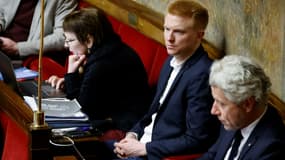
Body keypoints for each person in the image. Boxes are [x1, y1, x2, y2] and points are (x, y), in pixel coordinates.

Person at [113, 0, 220, 159]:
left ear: (199, 35)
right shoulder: (170, 61)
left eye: (179, 32)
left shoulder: (202, 74)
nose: (169, 38)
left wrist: (144, 149)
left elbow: (197, 139)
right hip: (139, 145)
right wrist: (132, 135)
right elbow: (152, 112)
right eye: (167, 29)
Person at [46, 8, 151, 137]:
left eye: (70, 40)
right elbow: (92, 90)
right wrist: (68, 81)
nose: (66, 46)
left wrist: (71, 74)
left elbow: (80, 109)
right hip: (113, 113)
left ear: (89, 40)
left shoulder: (103, 63)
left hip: (125, 124)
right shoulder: (110, 48)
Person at [197, 55, 285, 160]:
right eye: (214, 100)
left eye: (221, 104)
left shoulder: (271, 148)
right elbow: (212, 155)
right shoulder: (235, 120)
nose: (213, 111)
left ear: (247, 104)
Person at [0, 0, 77, 65]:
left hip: (24, 58)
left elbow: (62, 37)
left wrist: (18, 48)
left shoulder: (63, 1)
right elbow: (2, 13)